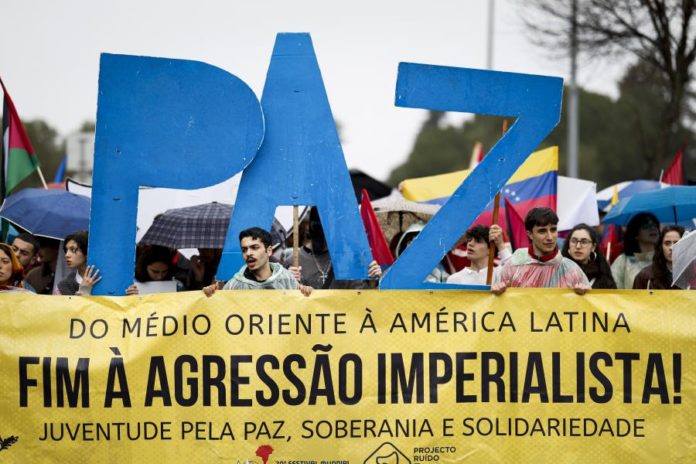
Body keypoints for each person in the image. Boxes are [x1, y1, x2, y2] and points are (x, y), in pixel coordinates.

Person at [492, 207, 590, 294]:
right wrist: (498, 292)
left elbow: (589, 306)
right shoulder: (513, 267)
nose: (550, 237)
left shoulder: (572, 270)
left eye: (553, 229)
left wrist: (584, 295)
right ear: (530, 234)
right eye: (542, 231)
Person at [284, 208, 381, 289]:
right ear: (310, 227)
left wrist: (374, 282)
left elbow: (361, 297)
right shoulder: (293, 261)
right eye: (318, 227)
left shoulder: (347, 258)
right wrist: (286, 282)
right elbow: (283, 300)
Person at [203, 227, 311, 297]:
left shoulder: (287, 279)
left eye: (254, 248)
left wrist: (307, 293)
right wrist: (211, 296)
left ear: (269, 251)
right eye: (244, 249)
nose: (248, 253)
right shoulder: (234, 285)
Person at [446, 224, 512, 285]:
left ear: (490, 249)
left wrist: (500, 244)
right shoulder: (453, 280)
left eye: (478, 241)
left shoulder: (500, 274)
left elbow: (514, 271)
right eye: (469, 240)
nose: (470, 244)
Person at [611, 212, 659, 289]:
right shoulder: (623, 261)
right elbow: (614, 288)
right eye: (646, 226)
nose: (653, 228)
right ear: (635, 234)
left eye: (655, 225)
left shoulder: (663, 259)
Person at [561, 223, 617, 289]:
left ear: (593, 247)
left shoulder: (602, 278)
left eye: (584, 242)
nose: (578, 246)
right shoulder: (558, 270)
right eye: (574, 241)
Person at [633, 225, 685, 290]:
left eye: (676, 243)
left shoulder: (692, 276)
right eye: (667, 243)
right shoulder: (645, 277)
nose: (671, 247)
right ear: (661, 246)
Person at [55, 231, 102, 296]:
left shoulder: (103, 280)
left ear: (87, 251)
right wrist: (83, 291)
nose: (67, 255)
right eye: (66, 250)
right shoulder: (63, 286)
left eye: (72, 249)